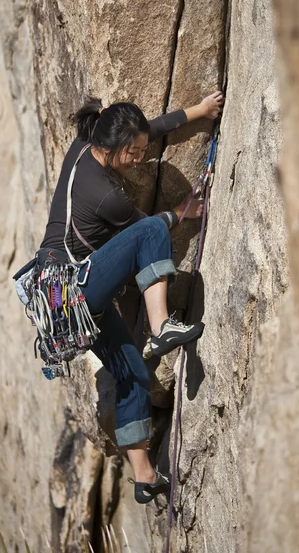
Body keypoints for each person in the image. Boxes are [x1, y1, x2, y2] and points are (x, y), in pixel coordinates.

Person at [40, 91, 224, 503]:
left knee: (132, 375)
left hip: (65, 305)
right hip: (75, 291)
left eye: (143, 150)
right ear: (114, 149)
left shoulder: (88, 143)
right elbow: (145, 229)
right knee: (152, 232)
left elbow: (149, 129)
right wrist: (182, 211)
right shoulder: (104, 194)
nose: (141, 158)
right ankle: (161, 327)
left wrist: (200, 111)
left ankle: (144, 477)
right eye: (135, 153)